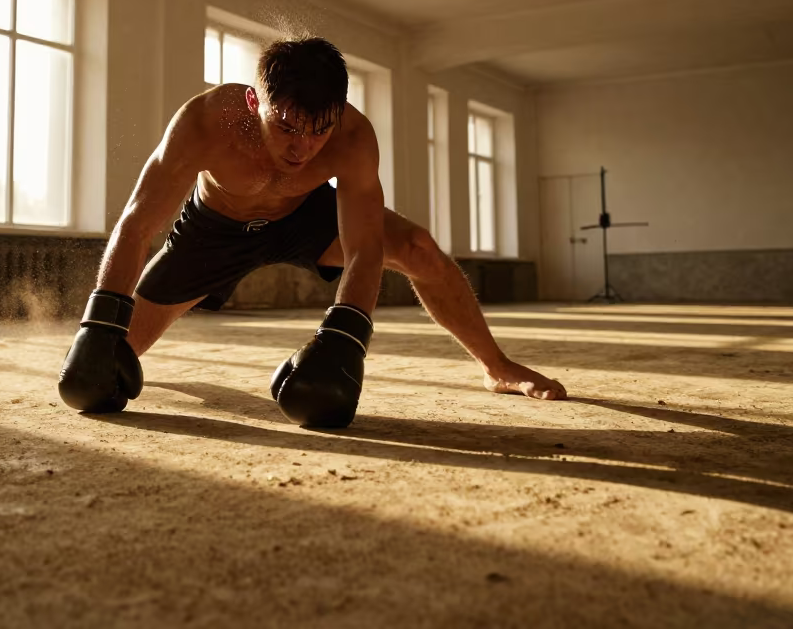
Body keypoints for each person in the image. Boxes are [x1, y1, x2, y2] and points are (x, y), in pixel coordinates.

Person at [58, 36, 566, 428]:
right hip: (212, 231)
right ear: (256, 103)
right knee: (102, 367)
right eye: (288, 127)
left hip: (303, 219)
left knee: (416, 247)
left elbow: (366, 248)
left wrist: (346, 339)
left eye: (318, 130)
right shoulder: (205, 122)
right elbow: (138, 222)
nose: (303, 148)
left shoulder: (351, 136)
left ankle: (496, 365)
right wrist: (99, 321)